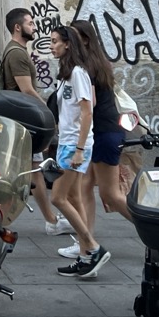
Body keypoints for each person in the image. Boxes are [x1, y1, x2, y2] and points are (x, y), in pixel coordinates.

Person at [57, 20, 132, 262]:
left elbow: (90, 107)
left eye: (73, 37)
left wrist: (79, 145)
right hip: (97, 133)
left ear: (84, 40)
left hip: (100, 133)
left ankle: (155, 232)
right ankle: (85, 242)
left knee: (111, 195)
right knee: (84, 188)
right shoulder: (93, 64)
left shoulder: (84, 68)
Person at [46, 25, 110, 278]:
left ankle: (93, 247)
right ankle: (86, 256)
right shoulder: (67, 73)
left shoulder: (79, 74)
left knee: (58, 198)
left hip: (75, 145)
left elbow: (87, 111)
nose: (51, 46)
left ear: (68, 44)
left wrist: (80, 149)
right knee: (73, 198)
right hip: (68, 142)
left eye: (54, 42)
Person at [0, 7, 62, 233]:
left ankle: (51, 220)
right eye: (31, 23)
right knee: (21, 174)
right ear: (18, 27)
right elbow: (26, 90)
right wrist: (47, 112)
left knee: (32, 172)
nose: (35, 27)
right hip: (23, 122)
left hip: (21, 122)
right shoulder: (16, 53)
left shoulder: (18, 51)